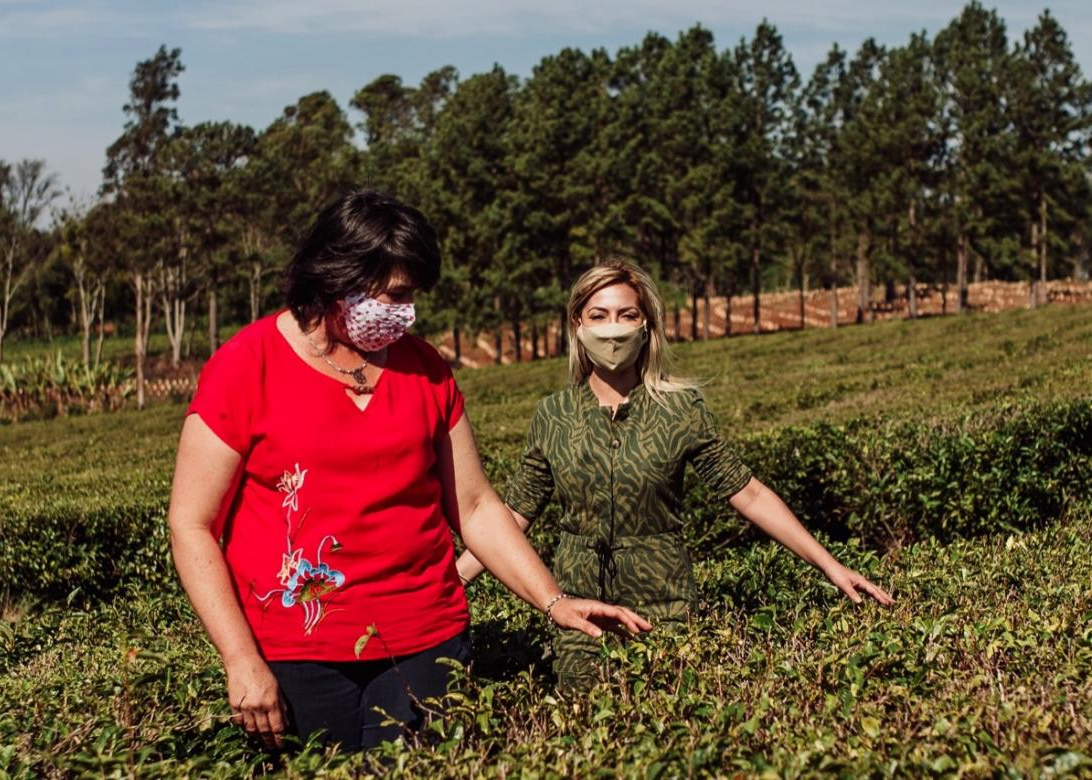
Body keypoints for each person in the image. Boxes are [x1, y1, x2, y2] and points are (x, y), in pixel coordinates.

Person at [168, 192, 651, 752]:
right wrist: (240, 658)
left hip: (427, 641)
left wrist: (552, 598)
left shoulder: (425, 369)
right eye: (396, 294)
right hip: (297, 652)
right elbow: (192, 524)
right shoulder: (244, 366)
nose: (406, 310)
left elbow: (474, 507)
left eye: (412, 295)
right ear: (340, 275)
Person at [456, 259, 894, 688]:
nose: (613, 328)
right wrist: (453, 581)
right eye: (599, 315)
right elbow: (512, 515)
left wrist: (829, 565)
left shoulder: (680, 409)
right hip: (579, 611)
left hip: (662, 607)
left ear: (646, 326)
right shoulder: (552, 415)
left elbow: (747, 493)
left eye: (627, 314)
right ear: (578, 325)